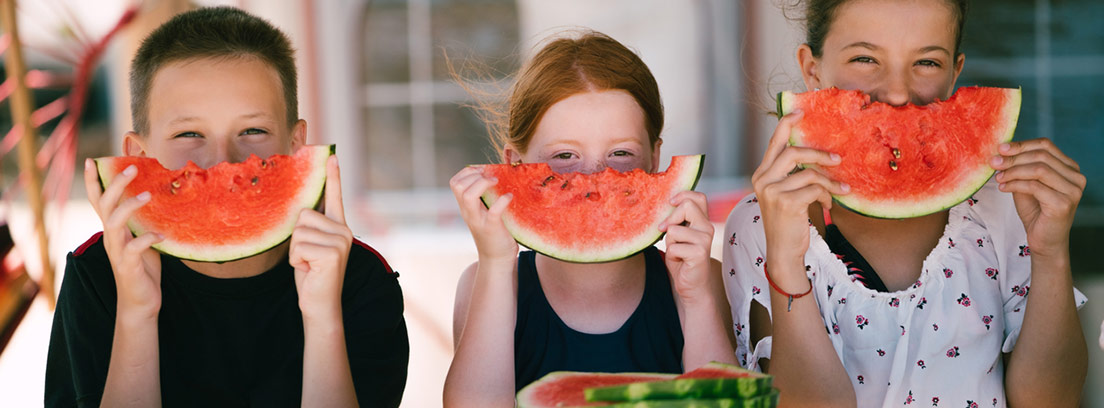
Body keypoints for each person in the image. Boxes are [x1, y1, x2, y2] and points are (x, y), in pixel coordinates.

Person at [723, 0, 1088, 406]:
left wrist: (1050, 251)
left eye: (927, 63)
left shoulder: (1005, 207)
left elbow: (1052, 400)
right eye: (865, 58)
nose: (897, 93)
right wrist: (786, 263)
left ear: (955, 73)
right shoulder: (761, 223)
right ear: (812, 69)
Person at [44, 7, 408, 407]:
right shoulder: (99, 275)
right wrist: (136, 313)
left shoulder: (359, 280)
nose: (222, 162)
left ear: (297, 145)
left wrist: (323, 319)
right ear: (137, 156)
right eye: (188, 133)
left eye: (253, 130)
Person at [443, 31, 737, 407]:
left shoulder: (700, 280)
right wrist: (497, 265)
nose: (594, 179)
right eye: (564, 156)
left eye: (620, 153)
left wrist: (696, 300)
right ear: (515, 163)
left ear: (655, 159)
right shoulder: (487, 282)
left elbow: (725, 402)